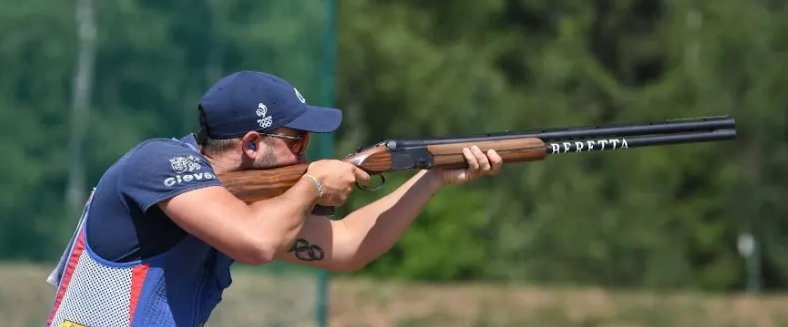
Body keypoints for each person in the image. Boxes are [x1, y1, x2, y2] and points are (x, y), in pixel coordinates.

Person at [45, 70, 503, 327]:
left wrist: (431, 178)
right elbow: (256, 243)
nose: (306, 151)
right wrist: (314, 186)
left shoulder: (238, 207)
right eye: (297, 140)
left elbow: (346, 245)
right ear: (250, 145)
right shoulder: (157, 164)